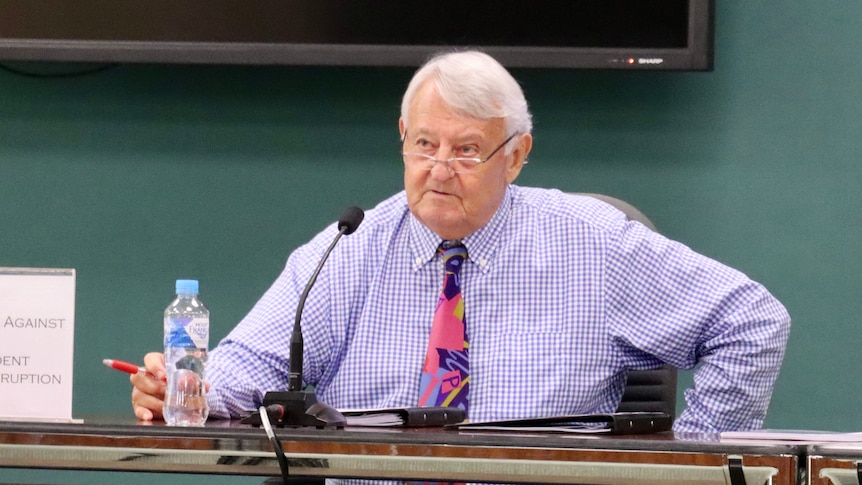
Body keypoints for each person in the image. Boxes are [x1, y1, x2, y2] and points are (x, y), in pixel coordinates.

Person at [131, 50, 791, 433]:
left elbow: (752, 321)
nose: (439, 167)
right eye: (424, 144)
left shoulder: (592, 245)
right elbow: (250, 366)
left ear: (517, 155)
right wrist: (187, 387)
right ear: (402, 138)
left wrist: (692, 459)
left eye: (468, 149)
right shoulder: (351, 248)